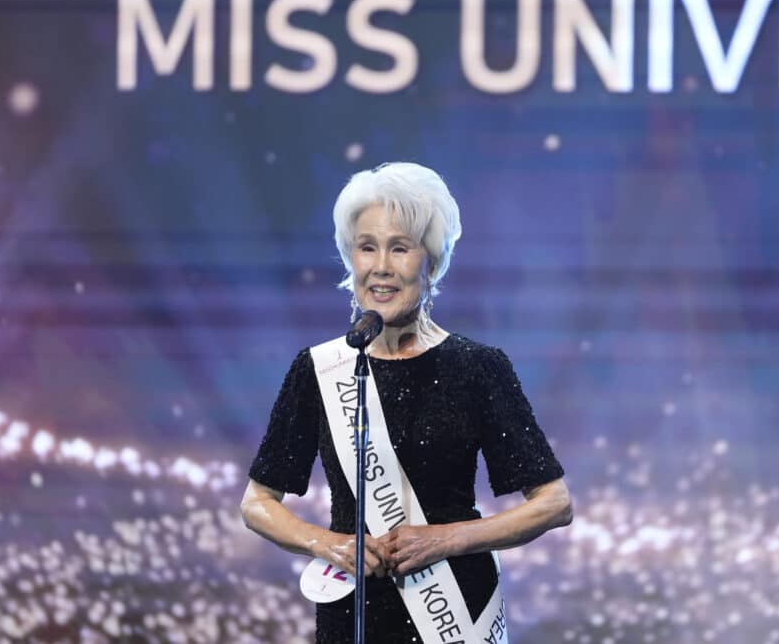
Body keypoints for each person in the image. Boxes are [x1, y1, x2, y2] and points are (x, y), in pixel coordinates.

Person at [240, 162, 572, 643]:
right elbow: (257, 503)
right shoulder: (319, 369)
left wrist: (446, 538)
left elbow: (553, 503)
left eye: (400, 248)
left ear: (431, 261)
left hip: (455, 605)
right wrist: (330, 544)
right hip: (353, 610)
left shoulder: (478, 367)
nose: (381, 267)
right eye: (366, 247)